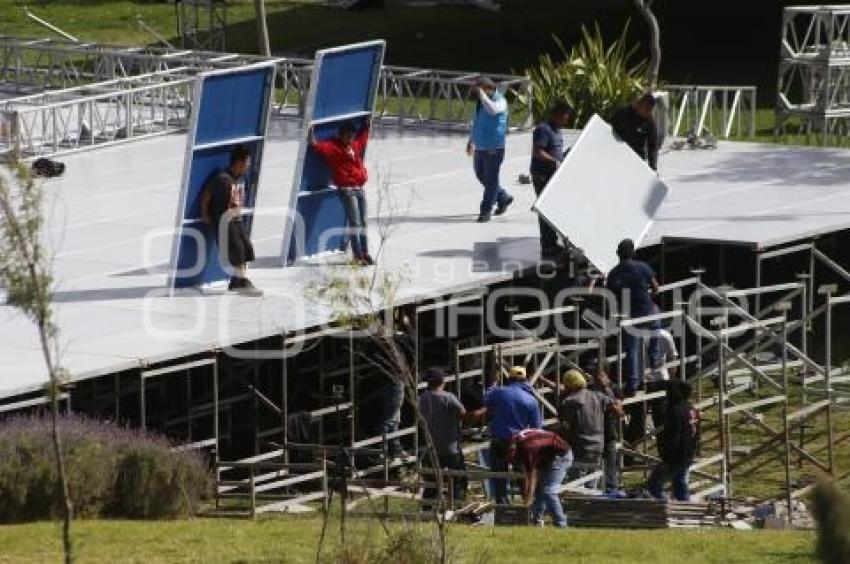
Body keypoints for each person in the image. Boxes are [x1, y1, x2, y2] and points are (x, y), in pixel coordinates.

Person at [199, 145, 262, 296]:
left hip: (236, 219)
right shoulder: (222, 178)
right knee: (237, 251)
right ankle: (240, 281)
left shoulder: (240, 178)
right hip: (224, 221)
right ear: (239, 162)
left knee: (246, 249)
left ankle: (237, 281)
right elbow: (206, 195)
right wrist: (205, 214)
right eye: (247, 162)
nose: (248, 165)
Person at [308, 120, 373, 265]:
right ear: (341, 135)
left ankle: (365, 252)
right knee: (355, 222)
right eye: (348, 136)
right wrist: (310, 131)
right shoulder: (332, 148)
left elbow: (363, 139)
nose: (350, 139)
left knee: (363, 222)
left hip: (359, 188)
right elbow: (316, 146)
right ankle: (357, 255)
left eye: (352, 136)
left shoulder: (354, 146)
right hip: (347, 190)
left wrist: (367, 126)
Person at [484, 366, 542, 504]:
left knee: (499, 477)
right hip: (519, 442)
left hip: (499, 440)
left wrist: (493, 384)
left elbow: (486, 399)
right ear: (525, 379)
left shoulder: (499, 393)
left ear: (509, 378)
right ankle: (526, 505)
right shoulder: (531, 400)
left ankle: (502, 507)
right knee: (523, 476)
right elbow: (536, 428)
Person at [559, 370, 621, 487]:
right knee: (592, 482)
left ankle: (579, 504)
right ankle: (592, 501)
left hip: (579, 447)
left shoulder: (569, 402)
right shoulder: (598, 396)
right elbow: (618, 412)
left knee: (576, 484)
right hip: (598, 446)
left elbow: (566, 427)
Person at [418, 367, 470, 507]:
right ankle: (457, 506)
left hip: (431, 447)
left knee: (432, 481)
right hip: (450, 448)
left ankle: (427, 509)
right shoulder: (448, 397)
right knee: (458, 479)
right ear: (442, 381)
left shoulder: (422, 398)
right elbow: (462, 413)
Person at [467, 77, 513, 223]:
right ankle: (502, 197)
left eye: (479, 88)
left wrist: (482, 95)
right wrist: (471, 140)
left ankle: (485, 211)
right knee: (481, 175)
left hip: (494, 147)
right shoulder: (481, 102)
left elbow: (492, 110)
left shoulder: (500, 101)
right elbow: (477, 122)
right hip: (480, 146)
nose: (476, 92)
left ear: (488, 88)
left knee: (491, 179)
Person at [530, 101, 572, 258]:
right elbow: (537, 152)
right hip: (542, 176)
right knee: (545, 210)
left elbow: (556, 151)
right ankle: (547, 245)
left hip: (553, 176)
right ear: (557, 115)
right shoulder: (543, 129)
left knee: (553, 208)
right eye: (565, 117)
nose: (566, 120)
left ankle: (552, 242)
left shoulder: (557, 130)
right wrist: (554, 161)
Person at [647, 379, 699, 501]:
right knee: (680, 484)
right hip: (688, 452)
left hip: (676, 455)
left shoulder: (675, 410)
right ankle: (684, 509)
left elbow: (673, 434)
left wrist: (668, 456)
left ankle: (663, 506)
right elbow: (696, 432)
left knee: (654, 484)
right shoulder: (689, 407)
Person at [508, 428, 571, 528]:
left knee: (549, 491)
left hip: (561, 456)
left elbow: (531, 478)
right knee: (539, 490)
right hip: (546, 455)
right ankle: (536, 522)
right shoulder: (515, 439)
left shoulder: (528, 449)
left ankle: (561, 524)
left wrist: (527, 501)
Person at [585, 359, 625, 496]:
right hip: (592, 432)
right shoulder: (588, 388)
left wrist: (606, 390)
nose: (592, 375)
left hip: (608, 431)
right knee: (590, 467)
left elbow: (619, 412)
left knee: (610, 465)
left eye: (595, 372)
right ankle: (589, 493)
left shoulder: (614, 388)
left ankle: (611, 491)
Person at [611, 93, 659, 171]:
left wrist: (653, 166)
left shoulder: (649, 122)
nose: (648, 113)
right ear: (640, 105)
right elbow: (609, 127)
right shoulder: (623, 113)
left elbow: (652, 146)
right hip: (619, 154)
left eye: (650, 111)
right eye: (646, 110)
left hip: (637, 158)